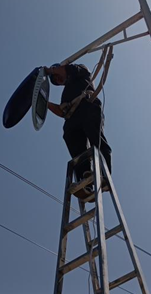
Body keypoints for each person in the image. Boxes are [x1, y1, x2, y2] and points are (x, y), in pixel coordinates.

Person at [44, 63, 112, 199]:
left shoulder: (78, 71)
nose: (58, 79)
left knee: (96, 139)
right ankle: (86, 181)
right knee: (72, 139)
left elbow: (65, 69)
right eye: (55, 81)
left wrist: (50, 70)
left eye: (56, 76)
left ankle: (105, 176)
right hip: (72, 117)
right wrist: (45, 103)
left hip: (88, 106)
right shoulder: (66, 93)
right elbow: (61, 111)